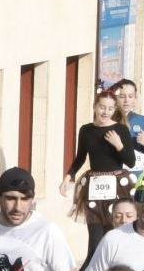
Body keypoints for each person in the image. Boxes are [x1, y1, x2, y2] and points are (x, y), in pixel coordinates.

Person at [59, 89, 138, 257]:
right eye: (102, 107)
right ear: (94, 107)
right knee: (95, 240)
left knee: (112, 234)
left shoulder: (121, 130)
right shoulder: (86, 130)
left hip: (117, 186)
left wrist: (119, 145)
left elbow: (130, 161)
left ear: (115, 109)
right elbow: (80, 158)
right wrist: (68, 176)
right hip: (94, 186)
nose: (105, 112)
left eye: (110, 108)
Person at [112, 77, 144, 165]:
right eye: (122, 96)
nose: (126, 100)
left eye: (130, 96)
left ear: (135, 98)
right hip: (114, 172)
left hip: (136, 174)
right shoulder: (109, 120)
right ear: (115, 97)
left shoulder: (143, 120)